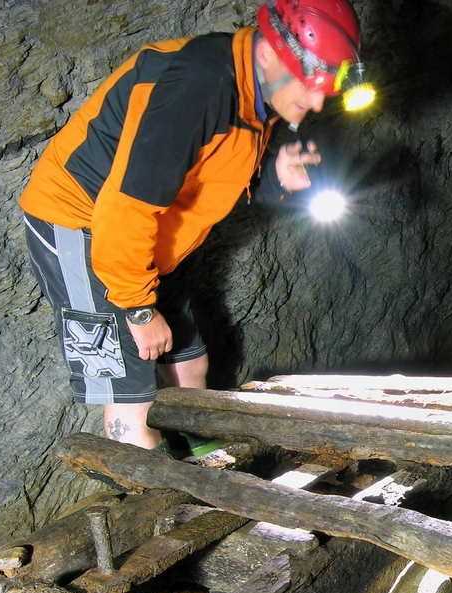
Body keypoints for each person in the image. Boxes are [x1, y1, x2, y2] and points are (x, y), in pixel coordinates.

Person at [20, 0, 365, 452]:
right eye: (309, 84)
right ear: (268, 54)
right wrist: (137, 310)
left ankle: (204, 473)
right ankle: (154, 505)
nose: (318, 101)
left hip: (154, 235)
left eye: (327, 87)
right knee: (133, 397)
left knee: (189, 368)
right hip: (84, 226)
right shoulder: (200, 84)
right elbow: (125, 206)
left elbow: (207, 178)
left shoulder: (253, 93)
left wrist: (271, 180)